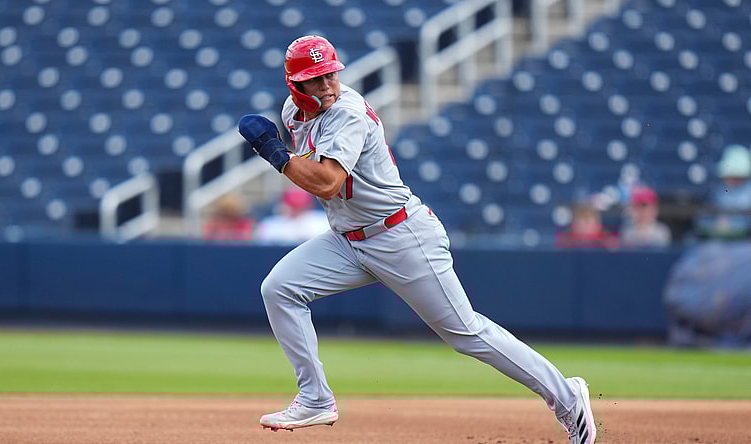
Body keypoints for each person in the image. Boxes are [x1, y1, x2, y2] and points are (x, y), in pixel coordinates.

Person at [237, 35, 596, 444]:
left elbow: (329, 183)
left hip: (399, 234)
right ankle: (315, 398)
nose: (329, 86)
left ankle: (567, 397)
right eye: (316, 79)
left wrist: (274, 153)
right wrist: (281, 153)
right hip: (347, 239)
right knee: (280, 289)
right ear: (295, 85)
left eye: (332, 74)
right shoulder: (294, 112)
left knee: (466, 333)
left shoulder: (348, 113)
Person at [255, 184, 330, 244]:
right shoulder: (270, 225)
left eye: (300, 207)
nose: (297, 210)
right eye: (293, 206)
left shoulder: (323, 222)